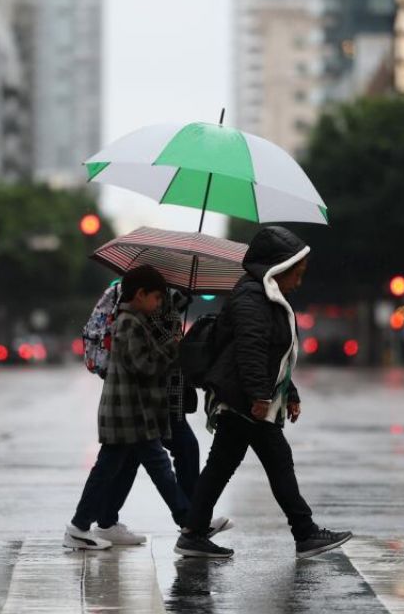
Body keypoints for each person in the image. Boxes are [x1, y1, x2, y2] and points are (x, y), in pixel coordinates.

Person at [175, 226, 352, 560]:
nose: (298, 282)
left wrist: (291, 393)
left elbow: (276, 356)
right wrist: (260, 396)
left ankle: (194, 533)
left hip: (246, 398)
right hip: (244, 400)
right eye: (296, 274)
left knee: (225, 467)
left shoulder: (265, 296)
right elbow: (252, 351)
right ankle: (305, 533)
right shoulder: (252, 297)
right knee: (274, 462)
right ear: (277, 268)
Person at [64, 266, 193, 549]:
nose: (159, 304)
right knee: (158, 469)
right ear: (140, 294)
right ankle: (189, 522)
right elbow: (145, 366)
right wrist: (172, 348)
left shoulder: (133, 321)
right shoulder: (128, 324)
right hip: (129, 414)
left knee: (109, 470)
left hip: (130, 414)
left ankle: (81, 524)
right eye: (156, 298)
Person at [97, 288, 230, 544]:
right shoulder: (153, 305)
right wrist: (177, 345)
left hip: (165, 397)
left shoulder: (168, 304)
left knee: (132, 457)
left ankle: (105, 521)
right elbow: (151, 355)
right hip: (156, 399)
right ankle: (192, 521)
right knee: (176, 452)